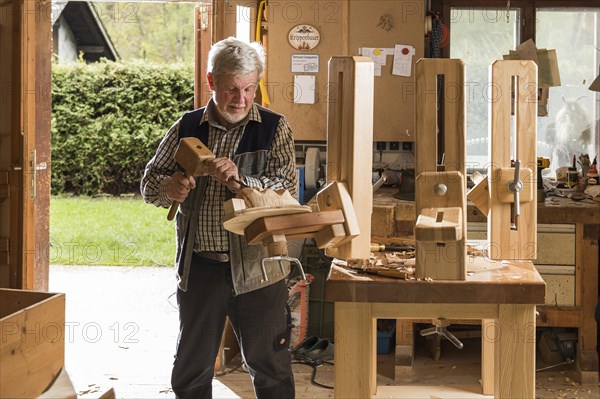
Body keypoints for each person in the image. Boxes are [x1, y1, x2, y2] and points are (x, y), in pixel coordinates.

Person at [140, 37, 297, 399]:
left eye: (248, 88)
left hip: (260, 269)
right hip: (202, 268)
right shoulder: (188, 126)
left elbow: (287, 188)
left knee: (271, 369)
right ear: (212, 82)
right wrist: (171, 188)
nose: (240, 99)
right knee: (191, 372)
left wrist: (243, 181)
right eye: (231, 89)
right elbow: (149, 183)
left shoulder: (274, 127)